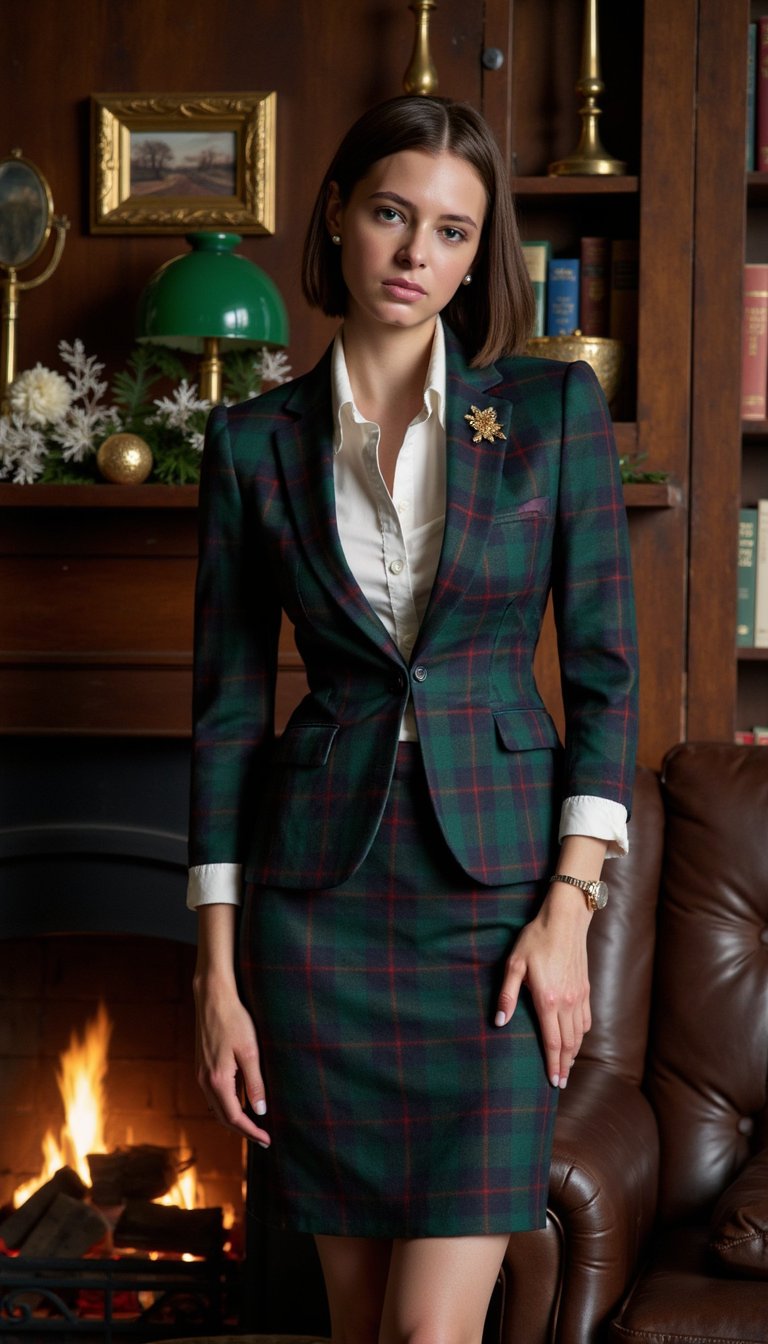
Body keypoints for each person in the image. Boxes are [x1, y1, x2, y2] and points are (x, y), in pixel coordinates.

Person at [188, 94, 638, 1344]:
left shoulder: (549, 421)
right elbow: (225, 720)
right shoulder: (252, 446)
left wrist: (570, 905)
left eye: (450, 232)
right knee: (357, 1323)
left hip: (498, 911)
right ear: (336, 214)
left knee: (431, 1333)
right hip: (316, 915)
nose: (414, 257)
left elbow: (606, 678)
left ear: (474, 253)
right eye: (392, 215)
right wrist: (218, 980)